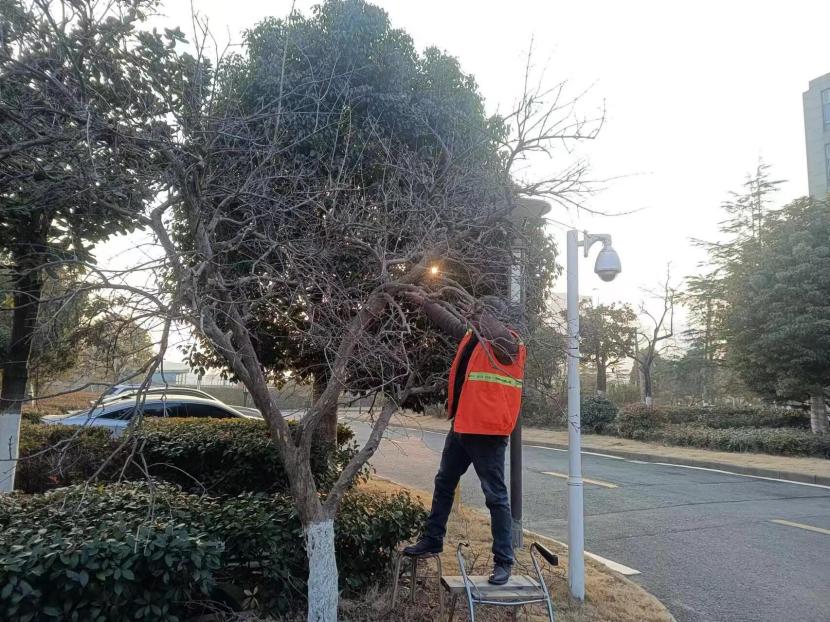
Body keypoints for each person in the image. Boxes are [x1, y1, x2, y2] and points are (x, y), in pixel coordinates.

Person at [403, 293, 526, 585]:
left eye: (480, 314)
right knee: (444, 482)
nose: (473, 320)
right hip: (463, 426)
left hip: (488, 433)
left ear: (492, 317)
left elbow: (496, 336)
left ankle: (504, 561)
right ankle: (433, 539)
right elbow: (450, 322)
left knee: (495, 497)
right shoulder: (474, 338)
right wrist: (423, 301)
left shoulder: (508, 343)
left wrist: (481, 314)